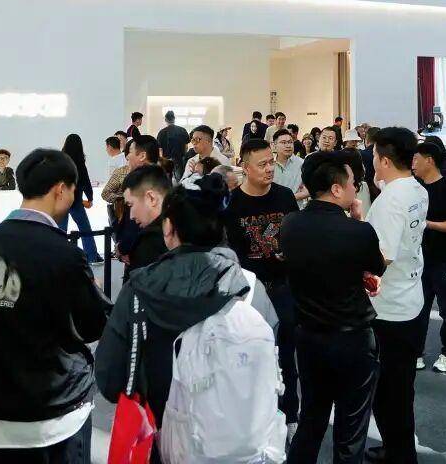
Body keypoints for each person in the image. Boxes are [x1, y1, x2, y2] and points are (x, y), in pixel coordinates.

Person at [0, 148, 110, 463]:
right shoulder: (62, 252)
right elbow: (91, 325)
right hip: (52, 414)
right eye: (72, 190)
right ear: (61, 189)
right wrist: (92, 291)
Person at [95, 174, 276, 458]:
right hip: (238, 443)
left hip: (163, 438)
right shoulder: (251, 288)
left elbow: (110, 378)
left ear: (168, 227)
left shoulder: (139, 290)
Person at [282, 151, 385, 464]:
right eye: (353, 183)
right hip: (352, 338)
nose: (356, 188)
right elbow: (376, 265)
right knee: (350, 430)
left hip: (308, 336)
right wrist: (358, 220)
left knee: (311, 418)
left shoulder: (290, 223)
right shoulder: (358, 230)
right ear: (337, 189)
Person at [224, 137, 301, 433]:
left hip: (283, 287)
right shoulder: (232, 204)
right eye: (262, 164)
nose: (270, 168)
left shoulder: (284, 196)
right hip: (250, 292)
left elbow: (296, 236)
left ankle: (290, 414)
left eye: (271, 162)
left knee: (286, 356)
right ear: (245, 167)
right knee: (251, 357)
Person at [364, 127, 428, 464]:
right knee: (400, 388)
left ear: (385, 160)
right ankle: (397, 449)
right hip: (410, 297)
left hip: (389, 307)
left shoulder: (390, 201)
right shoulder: (416, 189)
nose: (372, 160)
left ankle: (400, 454)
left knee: (390, 392)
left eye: (375, 155)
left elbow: (382, 258)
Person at [411, 142, 446, 373]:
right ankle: (416, 351)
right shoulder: (416, 188)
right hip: (420, 258)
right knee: (418, 308)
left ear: (429, 160)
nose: (413, 164)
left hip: (444, 259)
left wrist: (427, 224)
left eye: (416, 159)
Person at [120, 164, 171, 277]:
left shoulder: (150, 244)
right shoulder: (189, 227)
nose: (131, 216)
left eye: (131, 205)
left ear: (151, 198)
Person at [61, 134, 103, 264]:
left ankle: (59, 256)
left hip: (61, 200)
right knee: (85, 229)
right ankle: (92, 256)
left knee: (61, 230)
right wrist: (90, 198)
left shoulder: (60, 161)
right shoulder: (79, 162)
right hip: (75, 200)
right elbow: (85, 181)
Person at [273, 128, 308, 201]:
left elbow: (309, 190)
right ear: (274, 145)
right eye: (283, 142)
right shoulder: (269, 164)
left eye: (290, 142)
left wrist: (289, 199)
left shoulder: (302, 163)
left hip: (295, 205)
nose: (288, 145)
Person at [156, 110, 190, 180]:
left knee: (167, 180)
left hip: (166, 160)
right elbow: (186, 146)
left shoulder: (161, 132)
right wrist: (184, 156)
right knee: (180, 180)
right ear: (174, 119)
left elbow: (160, 149)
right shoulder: (182, 130)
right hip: (179, 159)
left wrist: (162, 161)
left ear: (165, 120)